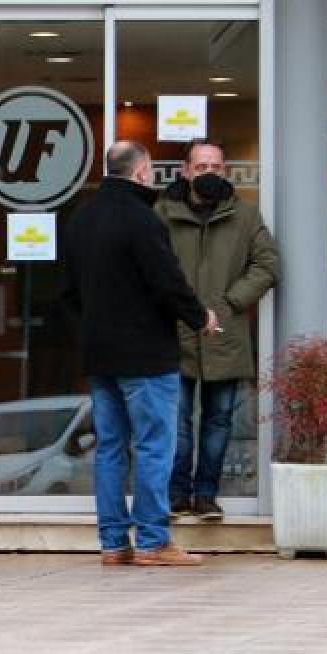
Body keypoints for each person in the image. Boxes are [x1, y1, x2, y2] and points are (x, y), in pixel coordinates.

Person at [62, 141, 218, 567]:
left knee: (111, 447)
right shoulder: (142, 219)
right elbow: (166, 281)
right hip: (146, 354)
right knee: (153, 446)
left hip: (100, 353)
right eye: (150, 171)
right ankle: (152, 541)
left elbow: (69, 292)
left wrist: (93, 329)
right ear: (142, 173)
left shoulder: (81, 218)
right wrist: (198, 316)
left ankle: (114, 543)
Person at [156, 139, 279, 522]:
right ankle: (177, 495)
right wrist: (178, 307)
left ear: (225, 171)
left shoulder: (245, 216)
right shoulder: (162, 213)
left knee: (218, 420)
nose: (209, 173)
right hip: (172, 334)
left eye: (216, 167)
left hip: (224, 334)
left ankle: (206, 495)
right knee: (175, 421)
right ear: (186, 171)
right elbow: (148, 267)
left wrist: (228, 303)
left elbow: (268, 266)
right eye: (202, 167)